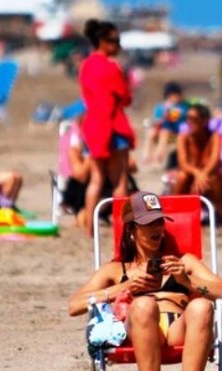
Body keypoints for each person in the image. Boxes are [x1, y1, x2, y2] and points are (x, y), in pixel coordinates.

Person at [68, 191, 222, 371]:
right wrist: (123, 288)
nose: (157, 228)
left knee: (201, 307)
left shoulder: (184, 262)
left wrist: (188, 282)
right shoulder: (116, 270)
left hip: (179, 329)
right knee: (144, 305)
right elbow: (74, 305)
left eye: (159, 221)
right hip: (142, 330)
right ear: (131, 229)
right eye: (149, 223)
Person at [79, 19, 135, 237]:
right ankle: (120, 229)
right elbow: (126, 97)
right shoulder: (112, 67)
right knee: (119, 180)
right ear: (102, 41)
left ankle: (89, 229)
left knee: (96, 179)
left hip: (93, 125)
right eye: (114, 41)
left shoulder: (86, 65)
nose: (118, 45)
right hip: (113, 124)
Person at [60, 117, 139, 228]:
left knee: (123, 180)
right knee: (83, 217)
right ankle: (90, 221)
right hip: (83, 191)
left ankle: (110, 218)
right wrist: (91, 156)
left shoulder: (113, 147)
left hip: (108, 186)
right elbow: (80, 176)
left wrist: (111, 161)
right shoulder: (75, 150)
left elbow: (133, 167)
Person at [172, 104, 222, 223]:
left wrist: (202, 175)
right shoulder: (183, 137)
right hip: (191, 178)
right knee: (183, 176)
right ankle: (175, 214)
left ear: (205, 121)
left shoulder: (214, 137)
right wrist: (198, 173)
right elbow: (183, 162)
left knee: (213, 179)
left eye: (195, 119)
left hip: (209, 179)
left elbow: (214, 161)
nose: (190, 122)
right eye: (188, 118)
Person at [142, 82, 187, 168]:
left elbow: (181, 119)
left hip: (175, 132)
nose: (175, 98)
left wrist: (171, 115)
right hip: (162, 130)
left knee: (164, 133)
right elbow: (156, 119)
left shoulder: (182, 107)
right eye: (173, 96)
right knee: (151, 132)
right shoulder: (161, 107)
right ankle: (146, 155)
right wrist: (163, 117)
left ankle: (158, 157)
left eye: (177, 95)